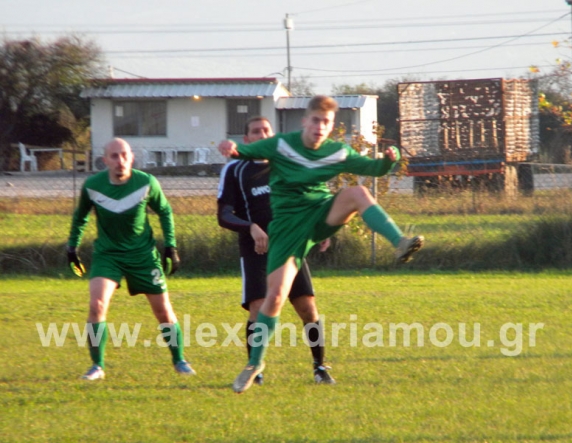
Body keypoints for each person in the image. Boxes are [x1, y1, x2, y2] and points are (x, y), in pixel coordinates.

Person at [218, 95, 424, 394]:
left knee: (357, 193)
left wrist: (390, 158)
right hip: (288, 228)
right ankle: (255, 364)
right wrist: (230, 147)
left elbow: (375, 169)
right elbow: (242, 151)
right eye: (315, 120)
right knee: (274, 298)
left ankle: (400, 242)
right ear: (305, 121)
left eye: (326, 122)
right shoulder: (281, 145)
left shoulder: (337, 151)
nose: (320, 127)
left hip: (319, 213)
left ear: (331, 126)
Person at [217, 116, 334, 386]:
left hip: (290, 245)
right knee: (258, 308)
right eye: (255, 132)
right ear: (246, 140)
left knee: (307, 307)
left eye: (266, 130)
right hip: (255, 248)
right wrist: (251, 227)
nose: (262, 135)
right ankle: (254, 371)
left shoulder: (290, 163)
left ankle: (320, 367)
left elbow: (313, 199)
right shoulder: (235, 169)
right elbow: (223, 214)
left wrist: (321, 231)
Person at [66, 137, 195, 380]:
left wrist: (171, 247)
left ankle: (179, 360)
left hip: (142, 255)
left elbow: (165, 211)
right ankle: (97, 366)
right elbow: (80, 216)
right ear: (105, 161)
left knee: (163, 312)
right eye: (114, 156)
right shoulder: (92, 185)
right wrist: (71, 248)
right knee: (97, 306)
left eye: (124, 155)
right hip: (108, 254)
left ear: (132, 157)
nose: (120, 161)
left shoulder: (146, 182)